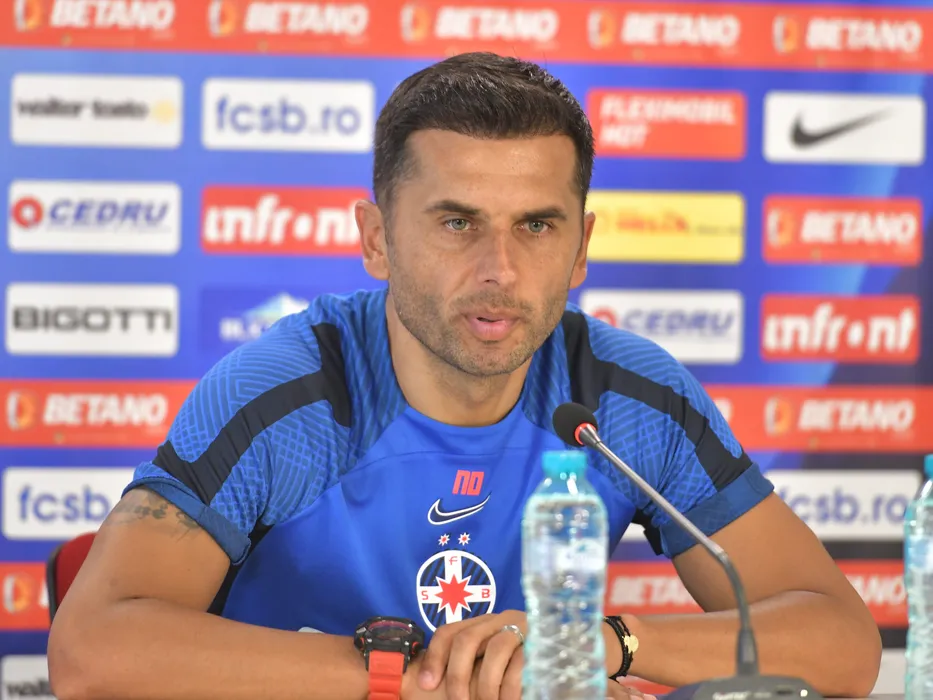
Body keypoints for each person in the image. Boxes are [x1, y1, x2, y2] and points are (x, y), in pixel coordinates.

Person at [47, 52, 881, 700]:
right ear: (376, 239)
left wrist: (599, 644)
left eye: (537, 226)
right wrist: (414, 676)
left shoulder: (625, 397)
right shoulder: (285, 394)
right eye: (457, 223)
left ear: (581, 248)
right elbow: (93, 652)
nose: (500, 270)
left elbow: (841, 643)